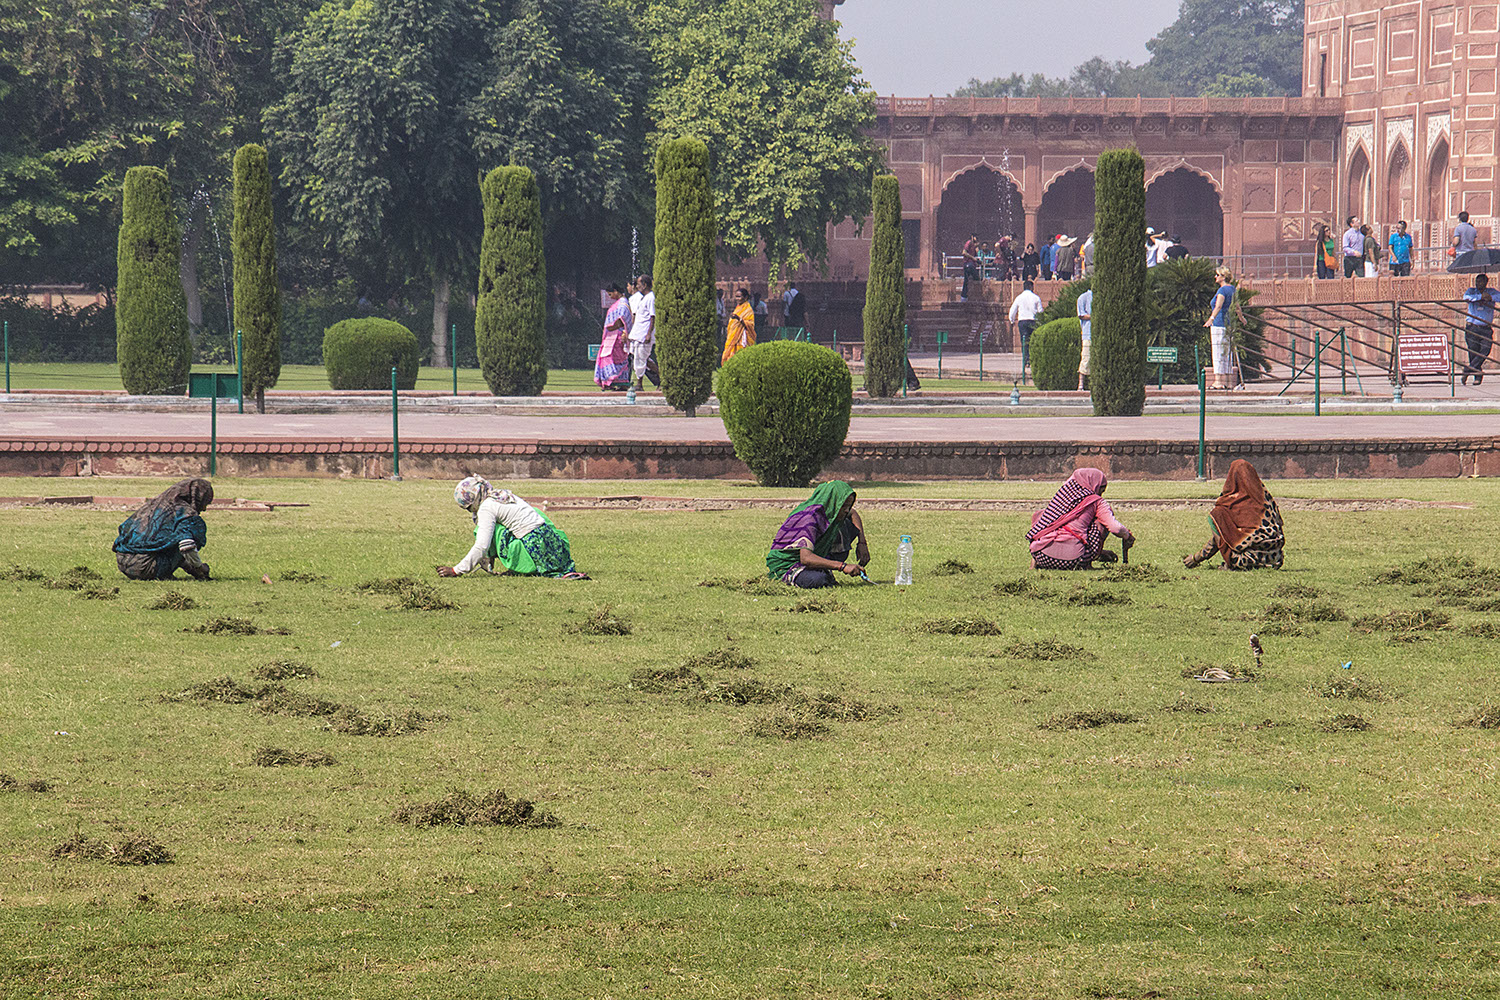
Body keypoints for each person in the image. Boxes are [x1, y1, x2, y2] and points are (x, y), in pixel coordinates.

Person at [439, 477, 585, 579]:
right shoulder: (500, 495)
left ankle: (518, 566)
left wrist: (456, 570)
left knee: (489, 530)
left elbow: (482, 545)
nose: (471, 512)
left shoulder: (486, 507)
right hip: (551, 541)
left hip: (535, 544)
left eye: (469, 508)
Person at [1183, 459, 1285, 570]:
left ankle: (1230, 564)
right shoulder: (1267, 500)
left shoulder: (1228, 505)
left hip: (1246, 561)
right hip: (1275, 560)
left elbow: (1221, 536)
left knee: (1216, 516)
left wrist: (1196, 558)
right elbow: (1279, 525)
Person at [765, 481, 870, 588]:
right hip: (788, 564)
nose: (846, 510)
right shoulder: (810, 519)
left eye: (848, 506)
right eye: (843, 506)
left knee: (844, 524)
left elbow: (853, 513)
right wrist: (842, 566)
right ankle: (795, 576)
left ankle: (822, 569)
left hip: (809, 557)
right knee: (818, 580)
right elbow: (805, 558)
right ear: (832, 502)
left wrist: (862, 543)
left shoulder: (830, 511)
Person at [1026, 468, 1135, 570]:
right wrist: (1127, 536)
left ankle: (1033, 564)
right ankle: (1088, 563)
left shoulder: (1062, 496)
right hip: (1074, 561)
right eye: (1100, 491)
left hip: (1041, 555)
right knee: (1100, 523)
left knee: (1043, 517)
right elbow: (1115, 528)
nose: (1100, 494)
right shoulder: (1096, 501)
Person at [112, 478, 214, 581]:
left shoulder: (154, 507)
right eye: (205, 503)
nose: (204, 508)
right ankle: (158, 573)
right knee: (193, 532)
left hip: (123, 563)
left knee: (174, 540)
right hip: (145, 567)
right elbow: (186, 546)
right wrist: (199, 567)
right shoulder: (185, 514)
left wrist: (189, 567)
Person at [1203, 266, 1237, 390]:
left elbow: (1218, 306)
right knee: (1227, 353)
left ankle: (1218, 381)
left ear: (1223, 277)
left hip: (1219, 324)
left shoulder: (1222, 291)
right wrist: (1241, 318)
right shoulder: (1232, 289)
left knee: (1218, 352)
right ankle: (1228, 381)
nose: (1215, 277)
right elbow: (1237, 306)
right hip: (1229, 325)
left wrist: (1211, 319)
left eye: (1217, 275)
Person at [594, 283, 632, 390]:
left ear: (616, 291)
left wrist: (610, 327)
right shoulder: (618, 304)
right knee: (610, 357)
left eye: (610, 294)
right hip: (611, 337)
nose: (610, 297)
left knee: (612, 358)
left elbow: (621, 321)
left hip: (617, 337)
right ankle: (612, 381)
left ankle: (614, 380)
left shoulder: (622, 304)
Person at [1462, 273, 1495, 385]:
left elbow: (1498, 297)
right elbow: (1466, 297)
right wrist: (1480, 297)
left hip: (1485, 327)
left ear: (1486, 282)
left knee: (1485, 350)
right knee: (1473, 351)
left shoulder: (1491, 291)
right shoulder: (1471, 291)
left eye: (1481, 281)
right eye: (1477, 281)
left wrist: (1489, 297)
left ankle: (1468, 370)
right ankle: (1477, 376)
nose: (1478, 284)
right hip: (1472, 326)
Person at [1008, 279, 1044, 382]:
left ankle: (1026, 360)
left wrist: (1011, 320)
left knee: (1024, 341)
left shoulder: (1019, 298)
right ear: (1032, 287)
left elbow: (1013, 310)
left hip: (1023, 321)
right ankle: (1032, 359)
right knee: (1033, 341)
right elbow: (1040, 311)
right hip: (1033, 321)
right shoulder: (1036, 298)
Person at [627, 274, 659, 390]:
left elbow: (652, 317)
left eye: (639, 285)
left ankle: (663, 379)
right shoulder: (642, 298)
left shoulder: (650, 297)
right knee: (638, 358)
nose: (637, 287)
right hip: (638, 334)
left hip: (644, 334)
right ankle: (639, 383)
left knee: (643, 359)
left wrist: (649, 333)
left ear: (645, 285)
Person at [722, 287, 756, 364]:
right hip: (732, 336)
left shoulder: (748, 310)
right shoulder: (738, 308)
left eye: (739, 296)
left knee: (739, 356)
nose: (737, 299)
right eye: (736, 296)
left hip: (741, 337)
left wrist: (740, 319)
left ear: (745, 297)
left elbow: (751, 324)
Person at [1075, 284, 1093, 391]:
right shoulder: (1084, 297)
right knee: (1086, 358)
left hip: (1099, 333)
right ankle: (1081, 384)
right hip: (1088, 333)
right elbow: (1081, 315)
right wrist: (1095, 316)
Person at [961, 234, 980, 301]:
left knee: (969, 280)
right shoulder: (968, 243)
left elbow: (976, 255)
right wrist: (973, 258)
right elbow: (964, 252)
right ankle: (964, 297)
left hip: (972, 264)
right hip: (968, 264)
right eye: (975, 237)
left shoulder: (974, 246)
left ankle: (966, 297)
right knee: (974, 279)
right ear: (972, 237)